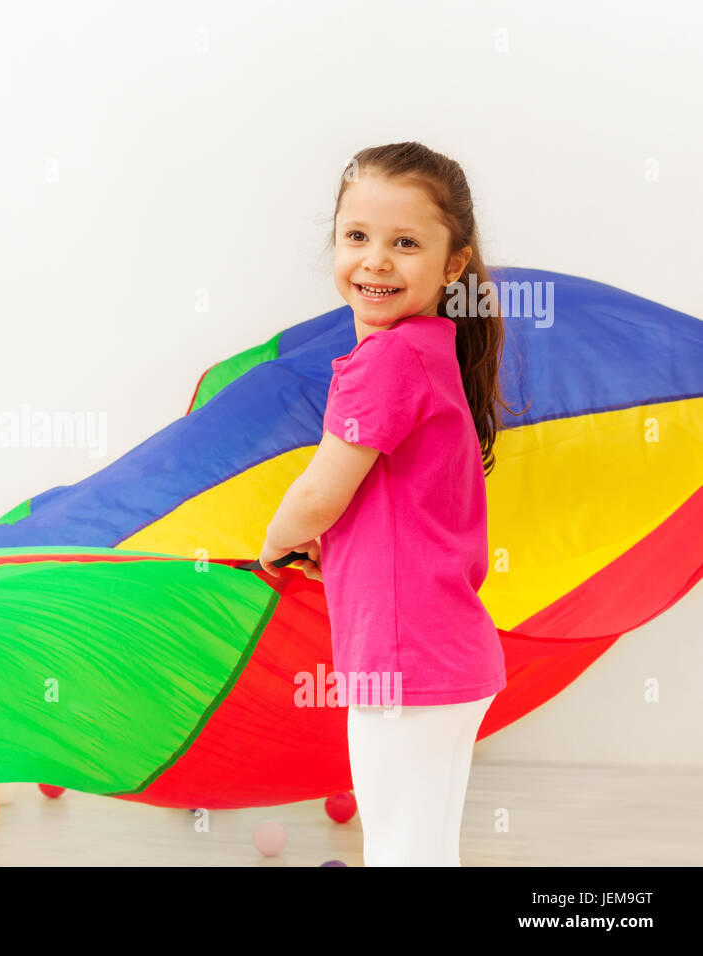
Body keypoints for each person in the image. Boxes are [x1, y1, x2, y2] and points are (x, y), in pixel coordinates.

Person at [258, 142, 523, 866]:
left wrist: (279, 538)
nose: (375, 260)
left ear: (452, 264)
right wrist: (336, 546)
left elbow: (318, 493)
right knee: (425, 848)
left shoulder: (387, 361)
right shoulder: (428, 353)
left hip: (404, 662)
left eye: (405, 242)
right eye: (357, 236)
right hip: (445, 656)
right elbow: (391, 505)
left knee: (402, 851)